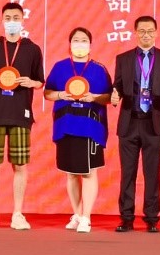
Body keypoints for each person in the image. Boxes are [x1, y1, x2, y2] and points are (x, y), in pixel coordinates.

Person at [0, 2, 45, 231]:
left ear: (23, 20)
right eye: (8, 17)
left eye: (16, 17)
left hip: (20, 113)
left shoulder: (33, 49)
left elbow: (40, 80)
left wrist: (31, 82)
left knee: (20, 165)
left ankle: (17, 214)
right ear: (2, 20)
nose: (12, 21)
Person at [110, 15, 160, 232]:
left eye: (150, 31)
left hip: (154, 123)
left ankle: (151, 218)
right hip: (129, 122)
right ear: (135, 33)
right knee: (127, 173)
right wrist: (114, 94)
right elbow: (117, 85)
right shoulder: (123, 58)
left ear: (156, 33)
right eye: (142, 31)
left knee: (152, 173)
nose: (146, 35)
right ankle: (126, 218)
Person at [44, 27, 113, 233]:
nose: (79, 44)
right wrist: (60, 95)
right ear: (70, 44)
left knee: (89, 172)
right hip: (65, 125)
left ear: (90, 45)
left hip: (90, 127)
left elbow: (109, 97)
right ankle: (77, 213)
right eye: (76, 40)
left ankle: (86, 217)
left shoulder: (100, 69)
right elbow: (47, 92)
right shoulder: (60, 67)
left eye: (84, 40)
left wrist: (94, 97)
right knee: (71, 173)